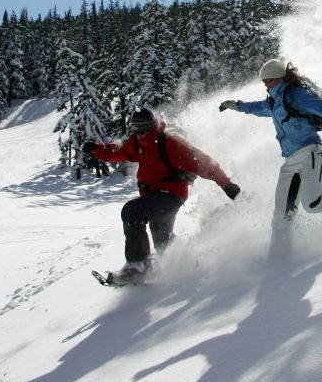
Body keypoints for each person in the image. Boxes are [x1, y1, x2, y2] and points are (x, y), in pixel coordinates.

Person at [219, 59, 322, 261]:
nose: (266, 84)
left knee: (313, 204)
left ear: (280, 77)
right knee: (282, 216)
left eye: (269, 80)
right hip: (290, 161)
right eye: (264, 81)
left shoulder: (294, 94)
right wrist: (237, 106)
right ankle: (279, 260)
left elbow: (320, 106)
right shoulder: (274, 102)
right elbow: (256, 107)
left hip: (310, 152)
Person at [83, 107, 240, 285]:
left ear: (152, 127)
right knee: (162, 240)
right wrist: (97, 149)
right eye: (137, 132)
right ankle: (187, 265)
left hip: (171, 196)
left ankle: (137, 268)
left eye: (144, 132)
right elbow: (119, 152)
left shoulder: (171, 143)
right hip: (154, 197)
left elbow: (202, 162)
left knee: (131, 212)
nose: (141, 136)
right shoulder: (138, 142)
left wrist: (226, 184)